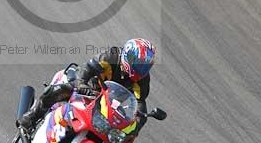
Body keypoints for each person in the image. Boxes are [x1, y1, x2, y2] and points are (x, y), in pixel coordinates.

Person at [19, 38, 165, 132]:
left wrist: (137, 123)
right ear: (129, 56)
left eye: (146, 66)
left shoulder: (142, 79)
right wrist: (82, 83)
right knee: (61, 90)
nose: (142, 69)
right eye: (140, 64)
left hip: (107, 103)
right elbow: (87, 68)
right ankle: (31, 116)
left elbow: (140, 102)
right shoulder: (112, 56)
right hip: (88, 88)